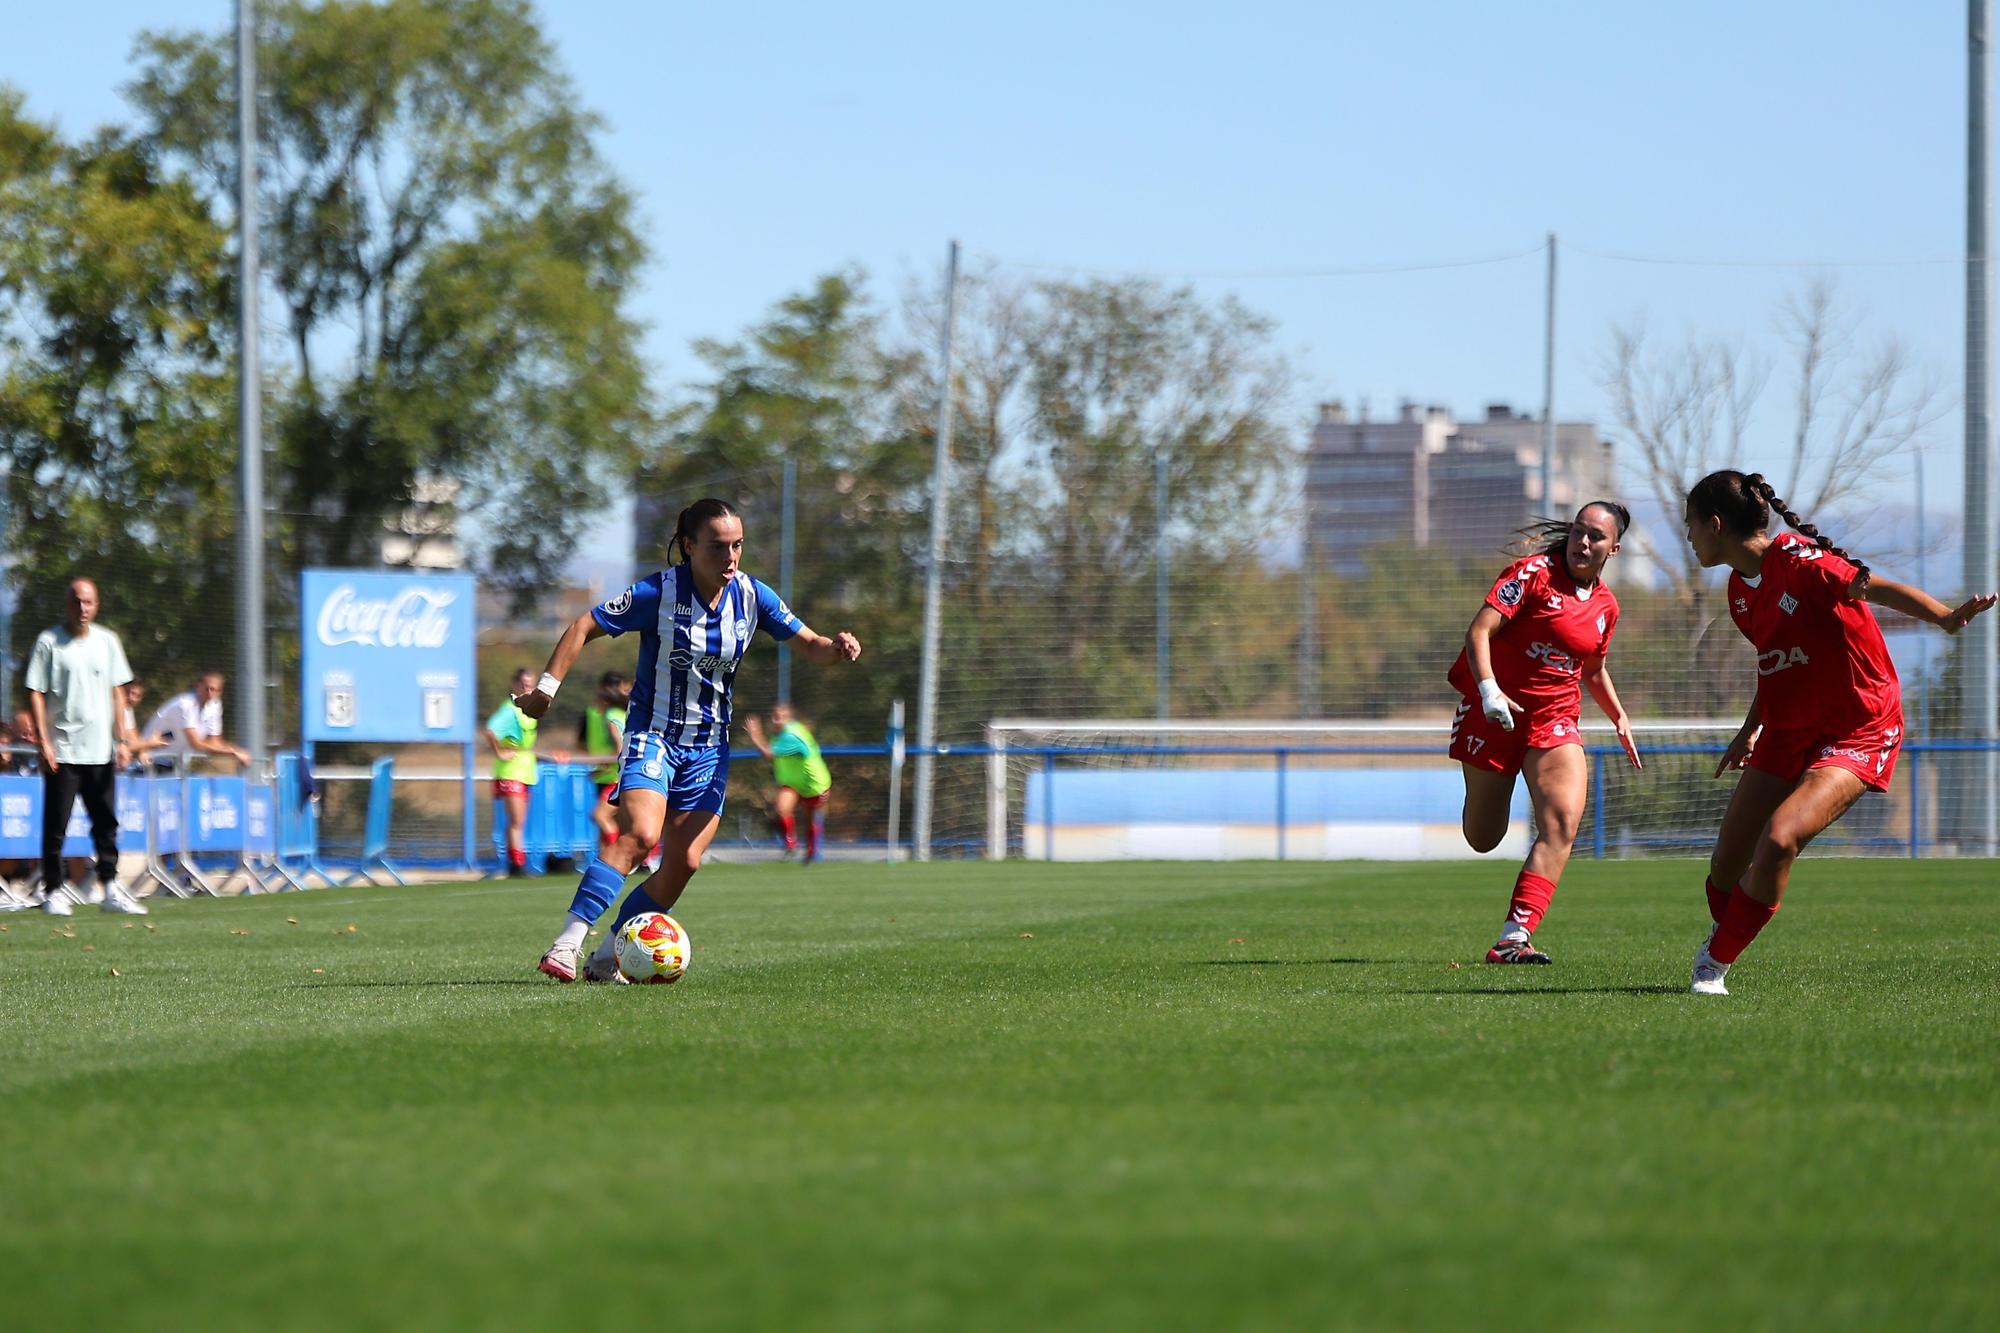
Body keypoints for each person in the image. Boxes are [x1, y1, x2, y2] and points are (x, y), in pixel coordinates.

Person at [515, 498, 863, 982]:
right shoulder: (659, 592)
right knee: (641, 835)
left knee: (686, 862)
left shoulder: (752, 596)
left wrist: (836, 647)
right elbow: (584, 625)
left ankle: (609, 955)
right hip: (654, 735)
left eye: (738, 546)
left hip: (709, 749)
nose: (731, 558)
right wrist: (546, 692)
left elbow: (809, 644)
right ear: (688, 546)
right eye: (718, 547)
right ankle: (567, 943)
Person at [1680, 470, 1996, 996]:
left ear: (1715, 525)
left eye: (1690, 526)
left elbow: (1872, 585)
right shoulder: (1739, 592)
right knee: (1725, 864)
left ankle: (1714, 962)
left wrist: (1943, 616)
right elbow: (1777, 662)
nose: (1689, 538)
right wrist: (1749, 730)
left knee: (1781, 838)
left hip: (1859, 726)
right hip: (1788, 725)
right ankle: (1730, 928)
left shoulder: (1800, 560)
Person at [1446, 501, 1641, 964]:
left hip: (1555, 719)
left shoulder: (1605, 606)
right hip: (1492, 713)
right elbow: (1479, 632)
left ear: (1613, 549)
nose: (1583, 542)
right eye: (1578, 532)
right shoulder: (1532, 573)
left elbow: (1592, 668)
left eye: (1596, 536)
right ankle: (1495, 781)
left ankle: (1514, 937)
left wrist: (1619, 716)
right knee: (1483, 837)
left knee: (1561, 822)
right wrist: (1490, 691)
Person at [23, 577, 148, 915]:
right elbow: (35, 690)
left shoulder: (108, 641)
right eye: (77, 601)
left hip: (100, 751)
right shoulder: (49, 641)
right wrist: (44, 740)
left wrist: (122, 740)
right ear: (67, 604)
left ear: (97, 605)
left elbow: (118, 692)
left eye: (89, 602)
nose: (83, 608)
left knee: (106, 823)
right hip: (62, 750)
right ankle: (53, 892)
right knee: (56, 825)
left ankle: (109, 889)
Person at [742, 704, 833, 863]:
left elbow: (769, 754)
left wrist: (755, 734)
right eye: (774, 716)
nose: (776, 720)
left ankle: (811, 852)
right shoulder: (782, 733)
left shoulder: (791, 736)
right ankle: (791, 846)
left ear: (789, 719)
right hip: (792, 782)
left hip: (814, 784)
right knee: (782, 809)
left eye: (781, 717)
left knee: (809, 819)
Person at [486, 668, 545, 878]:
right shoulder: (509, 709)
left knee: (519, 820)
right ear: (514, 684)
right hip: (511, 771)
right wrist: (500, 752)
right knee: (517, 820)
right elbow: (491, 729)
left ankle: (515, 861)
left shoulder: (529, 709)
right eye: (523, 684)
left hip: (524, 770)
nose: (526, 688)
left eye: (530, 684)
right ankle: (516, 863)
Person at [140, 670, 251, 771]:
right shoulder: (185, 704)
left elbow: (214, 742)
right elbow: (196, 744)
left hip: (175, 765)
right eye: (206, 688)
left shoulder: (215, 705)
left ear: (220, 692)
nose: (209, 693)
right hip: (151, 761)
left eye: (214, 690)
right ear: (198, 686)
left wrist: (236, 750)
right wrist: (232, 753)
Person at [578, 671, 630, 858]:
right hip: (607, 775)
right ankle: (604, 862)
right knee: (614, 820)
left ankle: (619, 857)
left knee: (600, 816)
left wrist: (604, 766)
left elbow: (619, 750)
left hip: (616, 777)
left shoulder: (611, 716)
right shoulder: (611, 713)